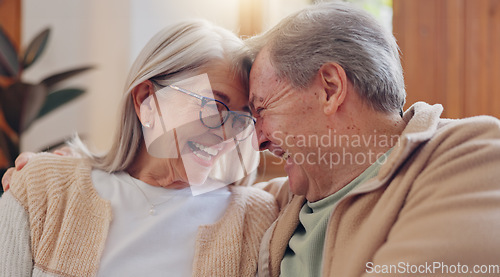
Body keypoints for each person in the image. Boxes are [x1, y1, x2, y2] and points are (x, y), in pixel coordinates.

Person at [0, 19, 278, 276]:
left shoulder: (254, 219)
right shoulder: (42, 189)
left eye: (241, 118)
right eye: (214, 106)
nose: (227, 135)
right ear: (148, 100)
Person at [245, 2, 500, 277]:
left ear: (330, 89)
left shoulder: (469, 155)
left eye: (261, 109)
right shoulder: (283, 199)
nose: (258, 141)